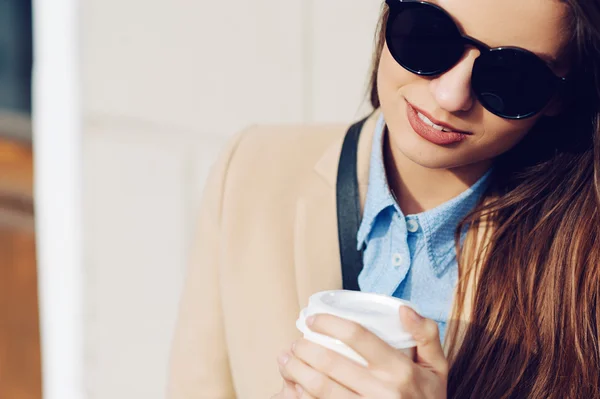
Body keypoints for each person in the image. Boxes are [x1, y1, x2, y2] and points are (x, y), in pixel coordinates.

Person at [167, 0, 600, 397]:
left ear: (560, 98)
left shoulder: (583, 257)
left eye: (513, 78)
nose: (451, 97)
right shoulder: (252, 169)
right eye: (430, 36)